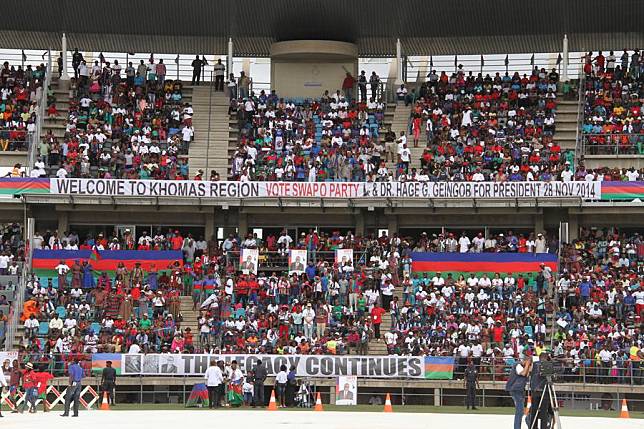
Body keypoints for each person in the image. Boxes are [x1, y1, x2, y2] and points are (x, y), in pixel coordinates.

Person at [505, 354, 533, 429]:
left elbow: (527, 374)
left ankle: (520, 426)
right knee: (519, 411)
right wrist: (527, 364)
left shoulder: (523, 367)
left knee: (520, 411)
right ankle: (517, 427)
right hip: (515, 390)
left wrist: (529, 365)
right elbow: (523, 373)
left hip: (519, 390)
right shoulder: (517, 365)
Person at [529, 351, 553, 429]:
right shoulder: (547, 365)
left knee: (534, 411)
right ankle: (543, 427)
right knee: (544, 412)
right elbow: (551, 377)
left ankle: (533, 427)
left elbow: (530, 373)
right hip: (544, 390)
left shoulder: (534, 364)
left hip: (534, 390)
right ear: (546, 358)